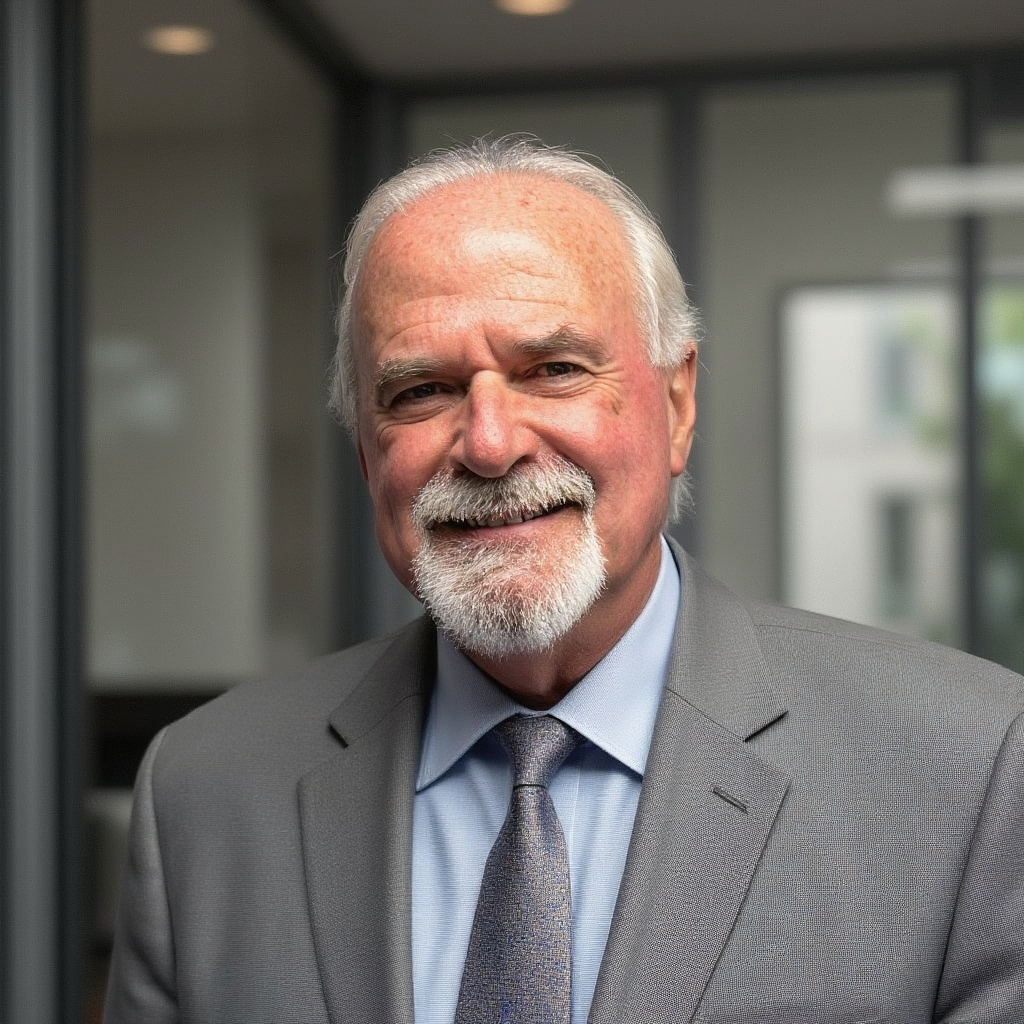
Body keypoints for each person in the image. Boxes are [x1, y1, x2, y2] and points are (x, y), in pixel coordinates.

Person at [104, 137, 1024, 1024]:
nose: (490, 444)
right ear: (366, 454)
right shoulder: (203, 793)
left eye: (553, 370)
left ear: (677, 404)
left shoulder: (970, 768)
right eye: (421, 390)